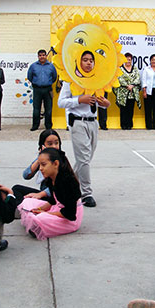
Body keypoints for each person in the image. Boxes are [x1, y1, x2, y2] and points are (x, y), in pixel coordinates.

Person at [58, 51, 110, 208]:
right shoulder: (70, 80)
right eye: (85, 60)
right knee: (84, 159)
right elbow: (61, 102)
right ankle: (86, 194)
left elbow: (100, 101)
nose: (88, 63)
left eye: (91, 60)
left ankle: (67, 185)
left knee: (85, 159)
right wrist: (79, 99)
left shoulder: (96, 80)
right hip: (78, 122)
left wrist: (105, 103)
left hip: (93, 122)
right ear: (78, 62)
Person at [18, 148, 83, 240]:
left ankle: (37, 224)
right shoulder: (50, 178)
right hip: (57, 208)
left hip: (68, 218)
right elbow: (52, 201)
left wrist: (45, 213)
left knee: (41, 218)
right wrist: (39, 209)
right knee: (27, 202)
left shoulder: (68, 182)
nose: (40, 169)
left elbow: (70, 214)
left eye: (43, 165)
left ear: (56, 164)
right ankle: (35, 222)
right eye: (40, 165)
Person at [12, 129, 61, 205]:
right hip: (43, 195)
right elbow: (26, 175)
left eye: (56, 143)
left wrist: (40, 194)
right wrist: (39, 159)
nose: (54, 147)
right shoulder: (42, 159)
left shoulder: (60, 161)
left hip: (54, 198)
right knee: (16, 188)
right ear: (42, 146)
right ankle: (21, 208)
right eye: (50, 144)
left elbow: (59, 186)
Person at [28, 49, 58, 131]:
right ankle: (35, 126)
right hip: (37, 89)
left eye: (43, 55)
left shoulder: (51, 66)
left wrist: (48, 83)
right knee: (36, 109)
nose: (42, 57)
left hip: (48, 89)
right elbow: (29, 76)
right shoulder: (33, 66)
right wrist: (36, 83)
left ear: (46, 56)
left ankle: (48, 126)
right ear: (38, 56)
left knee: (48, 109)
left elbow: (54, 77)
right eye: (40, 55)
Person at [113, 52, 141, 130]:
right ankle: (123, 124)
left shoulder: (135, 69)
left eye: (129, 59)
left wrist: (132, 85)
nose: (128, 61)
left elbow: (137, 78)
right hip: (123, 92)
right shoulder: (120, 69)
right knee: (123, 109)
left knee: (130, 109)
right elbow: (119, 78)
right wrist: (126, 85)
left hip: (132, 92)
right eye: (127, 59)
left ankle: (129, 124)